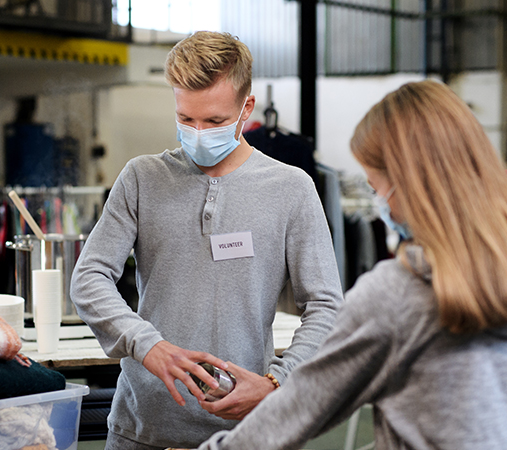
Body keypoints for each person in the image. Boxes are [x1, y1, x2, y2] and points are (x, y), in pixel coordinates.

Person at [191, 80, 507, 450]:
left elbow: (296, 411)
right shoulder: (491, 275)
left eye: (376, 187)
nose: (378, 204)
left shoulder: (399, 293)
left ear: (411, 185)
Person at [70, 31, 343, 450]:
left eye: (214, 121)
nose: (198, 133)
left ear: (245, 109)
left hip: (247, 433)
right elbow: (89, 277)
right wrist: (147, 345)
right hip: (141, 430)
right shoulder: (142, 178)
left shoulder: (291, 188)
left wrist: (277, 382)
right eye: (185, 119)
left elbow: (325, 305)